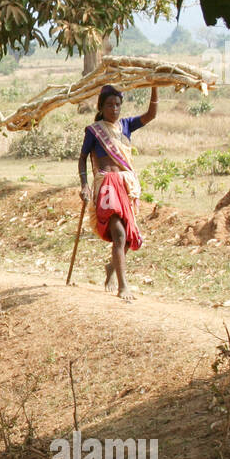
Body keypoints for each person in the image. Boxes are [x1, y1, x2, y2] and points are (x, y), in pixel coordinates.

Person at [79, 84, 158, 300]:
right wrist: (84, 184)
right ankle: (124, 286)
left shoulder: (126, 125)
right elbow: (82, 158)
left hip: (125, 185)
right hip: (106, 185)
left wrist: (155, 85)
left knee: (128, 236)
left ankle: (112, 269)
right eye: (109, 105)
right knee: (119, 234)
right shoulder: (94, 131)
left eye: (117, 105)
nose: (114, 109)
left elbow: (151, 114)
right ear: (101, 107)